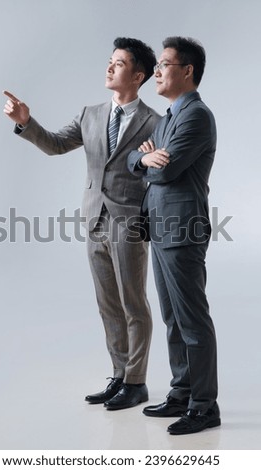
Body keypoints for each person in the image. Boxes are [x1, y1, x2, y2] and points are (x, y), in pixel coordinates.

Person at [3, 37, 161, 410]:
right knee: (108, 305)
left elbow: (161, 172)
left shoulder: (155, 122)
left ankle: (137, 382)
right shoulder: (90, 114)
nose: (109, 68)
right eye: (109, 61)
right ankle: (120, 376)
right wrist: (26, 123)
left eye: (118, 63)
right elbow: (56, 144)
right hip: (94, 221)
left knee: (133, 305)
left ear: (138, 75)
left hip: (130, 224)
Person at [128, 36, 220, 434]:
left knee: (191, 320)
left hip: (183, 229)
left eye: (164, 64)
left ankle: (204, 405)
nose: (157, 72)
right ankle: (182, 392)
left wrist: (150, 159)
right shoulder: (167, 119)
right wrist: (145, 155)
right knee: (172, 319)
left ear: (187, 71)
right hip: (161, 228)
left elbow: (165, 171)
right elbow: (138, 156)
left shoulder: (196, 116)